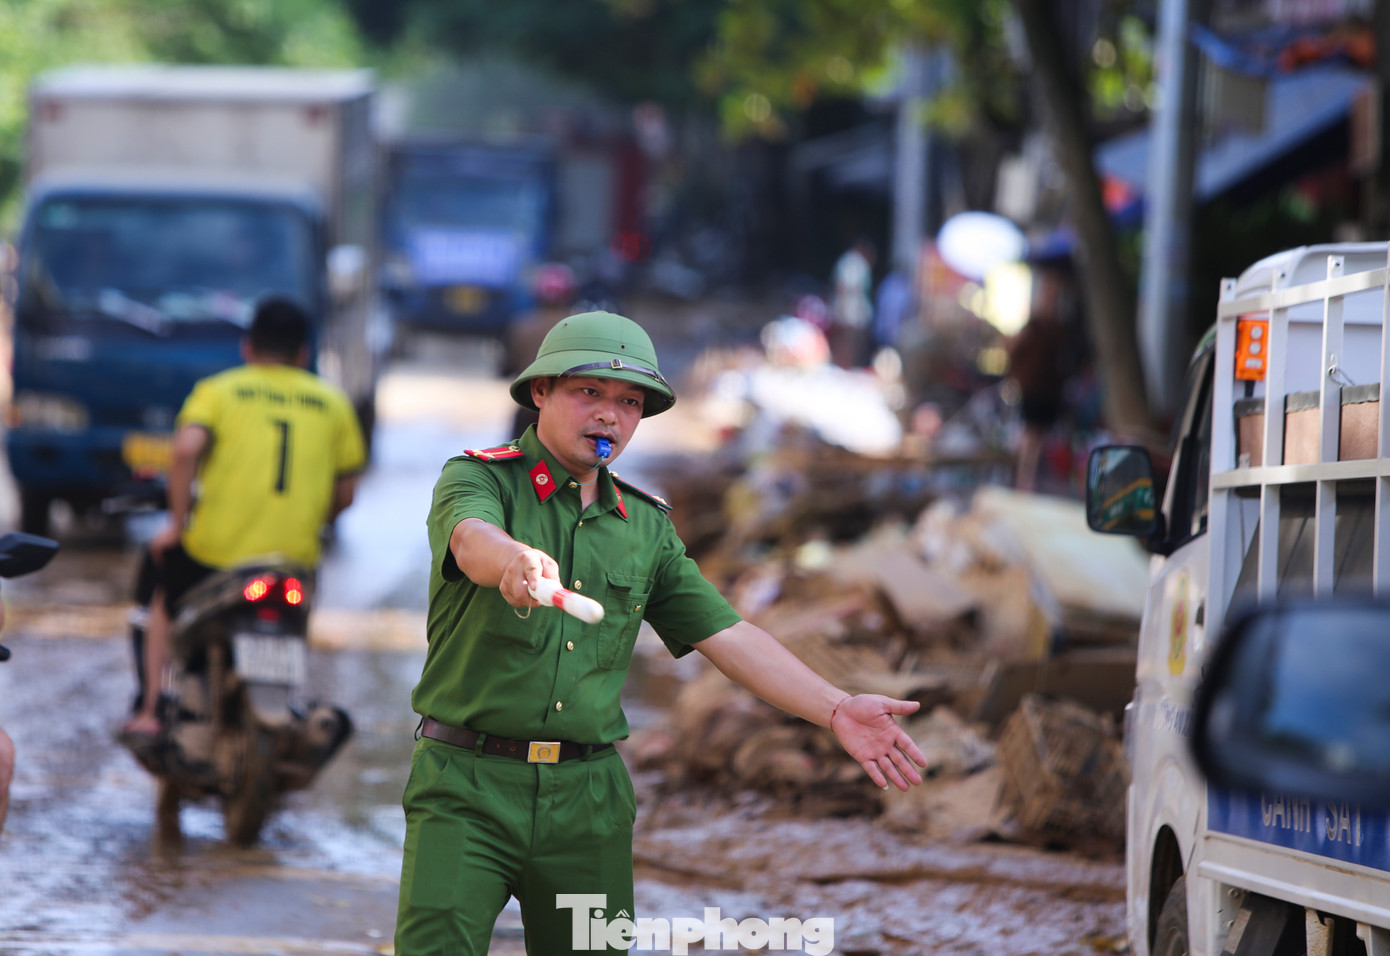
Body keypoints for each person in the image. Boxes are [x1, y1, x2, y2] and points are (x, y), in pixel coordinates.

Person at [395, 310, 928, 955]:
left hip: (586, 802)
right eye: (587, 392)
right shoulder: (480, 478)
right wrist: (513, 561)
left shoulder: (645, 528)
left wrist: (837, 707)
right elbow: (471, 538)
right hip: (464, 785)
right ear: (541, 392)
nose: (608, 416)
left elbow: (729, 636)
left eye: (627, 403)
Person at [120, 296, 367, 740]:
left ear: (247, 347)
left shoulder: (219, 391)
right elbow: (346, 494)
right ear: (303, 354)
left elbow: (184, 450)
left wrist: (178, 523)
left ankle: (152, 707)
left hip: (216, 555)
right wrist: (312, 519)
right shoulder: (333, 404)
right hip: (293, 559)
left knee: (161, 597)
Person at [830, 237, 876, 368]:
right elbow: (843, 287)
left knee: (853, 341)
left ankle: (847, 365)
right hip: (850, 310)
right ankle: (843, 365)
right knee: (847, 340)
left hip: (852, 309)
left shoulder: (851, 262)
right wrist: (844, 310)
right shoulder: (853, 263)